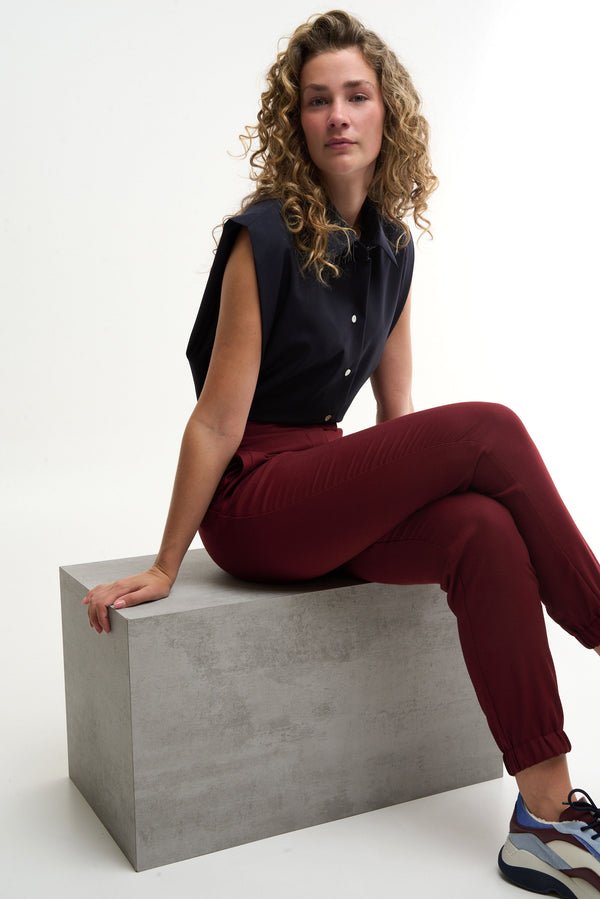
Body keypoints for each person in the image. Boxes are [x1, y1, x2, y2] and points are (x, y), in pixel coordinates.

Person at [83, 10, 600, 896]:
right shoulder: (262, 238)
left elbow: (398, 420)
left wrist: (420, 498)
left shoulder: (393, 247)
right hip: (260, 501)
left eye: (356, 96)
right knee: (489, 428)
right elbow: (216, 421)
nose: (337, 116)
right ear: (297, 121)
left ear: (386, 110)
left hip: (332, 494)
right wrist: (169, 562)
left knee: (482, 528)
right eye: (317, 100)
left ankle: (544, 820)